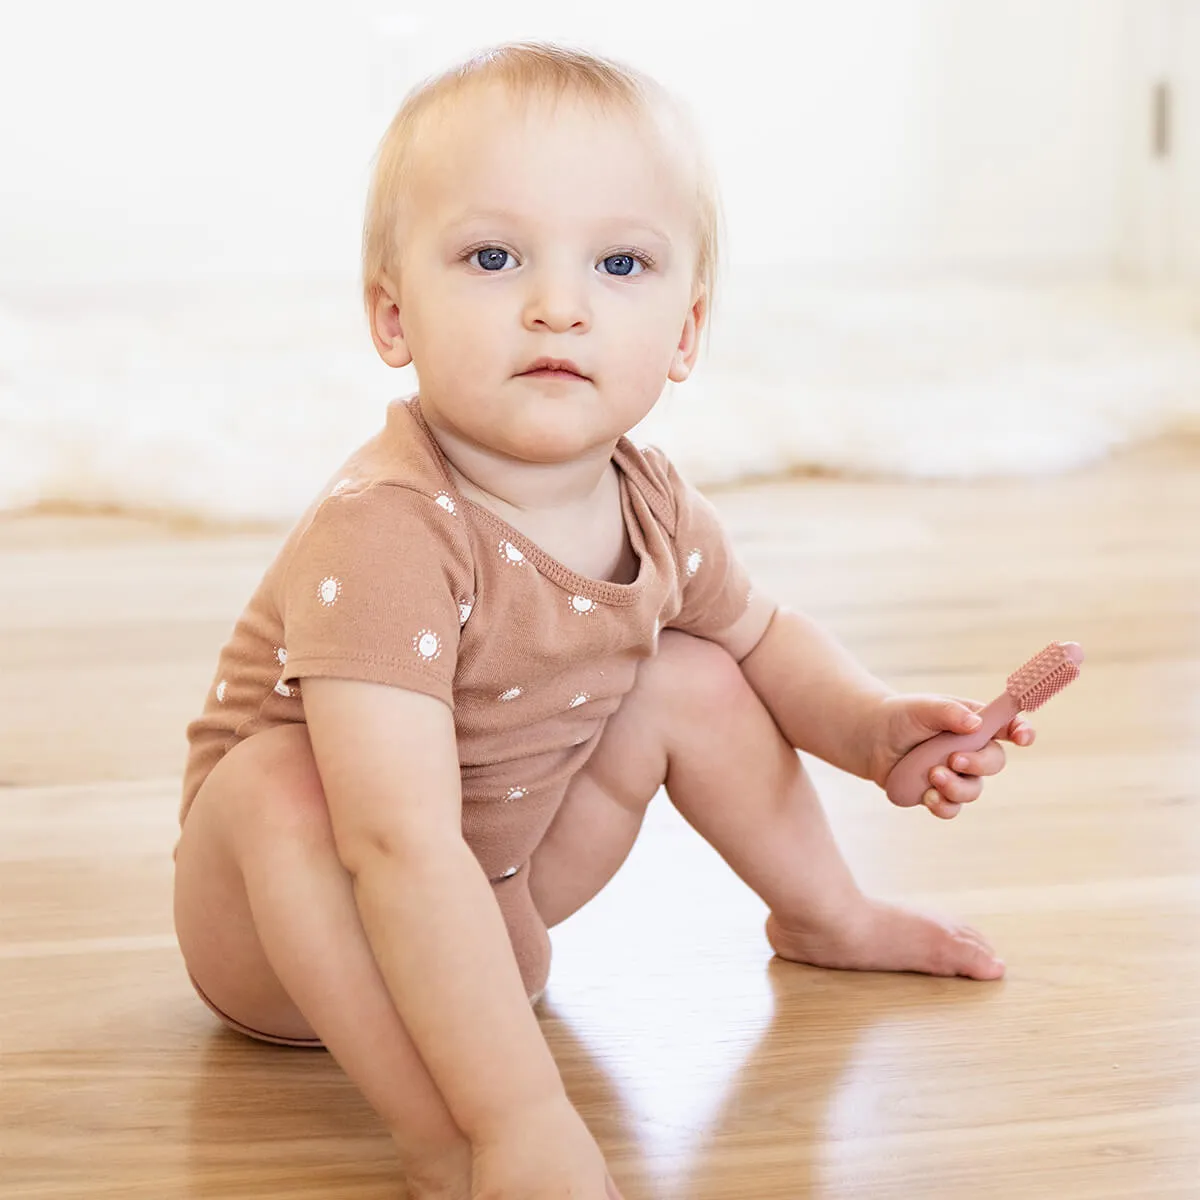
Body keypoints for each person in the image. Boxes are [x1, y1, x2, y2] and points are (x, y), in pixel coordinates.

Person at [172, 39, 1035, 1200]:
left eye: (622, 264)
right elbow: (392, 844)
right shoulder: (387, 530)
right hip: (295, 948)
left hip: (496, 911)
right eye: (492, 256)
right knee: (284, 785)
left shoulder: (651, 500)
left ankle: (827, 914)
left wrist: (875, 731)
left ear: (685, 334)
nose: (558, 306)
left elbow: (765, 637)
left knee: (695, 671)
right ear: (392, 316)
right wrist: (523, 1117)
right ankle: (453, 1136)